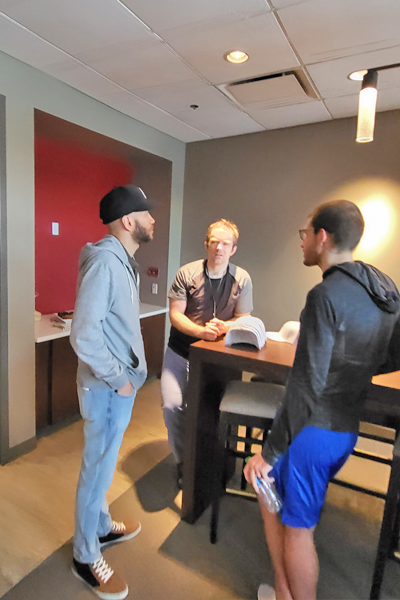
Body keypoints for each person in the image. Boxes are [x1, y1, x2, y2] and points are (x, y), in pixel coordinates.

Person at [244, 200, 400, 600]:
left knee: (299, 528)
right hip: (343, 431)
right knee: (266, 492)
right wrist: (355, 367)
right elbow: (394, 353)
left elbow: (307, 385)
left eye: (305, 234)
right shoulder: (383, 289)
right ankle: (282, 590)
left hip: (310, 435)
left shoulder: (324, 296)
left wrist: (271, 450)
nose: (302, 243)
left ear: (322, 237)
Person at [70, 184, 155, 600]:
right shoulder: (106, 263)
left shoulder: (122, 262)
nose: (153, 220)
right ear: (128, 220)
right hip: (107, 389)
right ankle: (85, 554)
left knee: (103, 465)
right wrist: (119, 378)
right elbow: (83, 335)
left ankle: (101, 527)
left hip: (116, 389)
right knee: (97, 470)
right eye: (147, 213)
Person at [161, 219, 253, 487]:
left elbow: (244, 317)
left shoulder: (242, 278)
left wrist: (226, 325)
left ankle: (211, 460)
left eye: (225, 243)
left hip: (217, 359)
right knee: (172, 406)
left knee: (210, 411)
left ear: (233, 249)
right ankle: (183, 462)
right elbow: (175, 315)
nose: (219, 248)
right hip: (180, 352)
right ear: (206, 244)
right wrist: (200, 332)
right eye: (214, 241)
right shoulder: (187, 273)